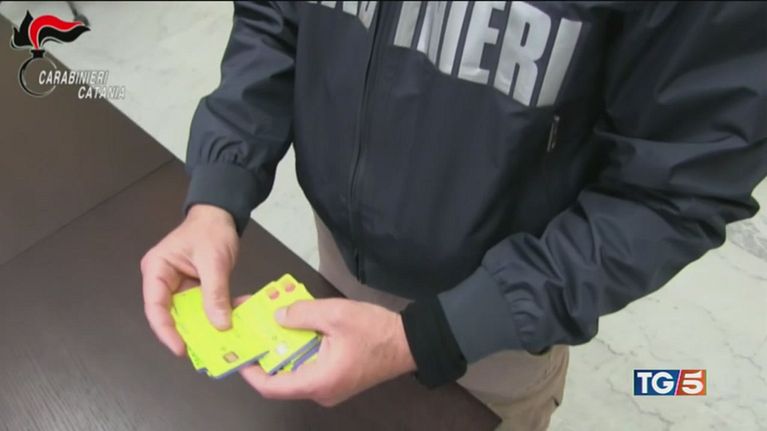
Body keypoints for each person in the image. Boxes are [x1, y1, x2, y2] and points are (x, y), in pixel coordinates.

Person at [140, 2, 767, 430]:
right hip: (339, 247)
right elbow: (277, 18)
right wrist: (219, 191)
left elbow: (676, 185)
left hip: (498, 315)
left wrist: (436, 336)